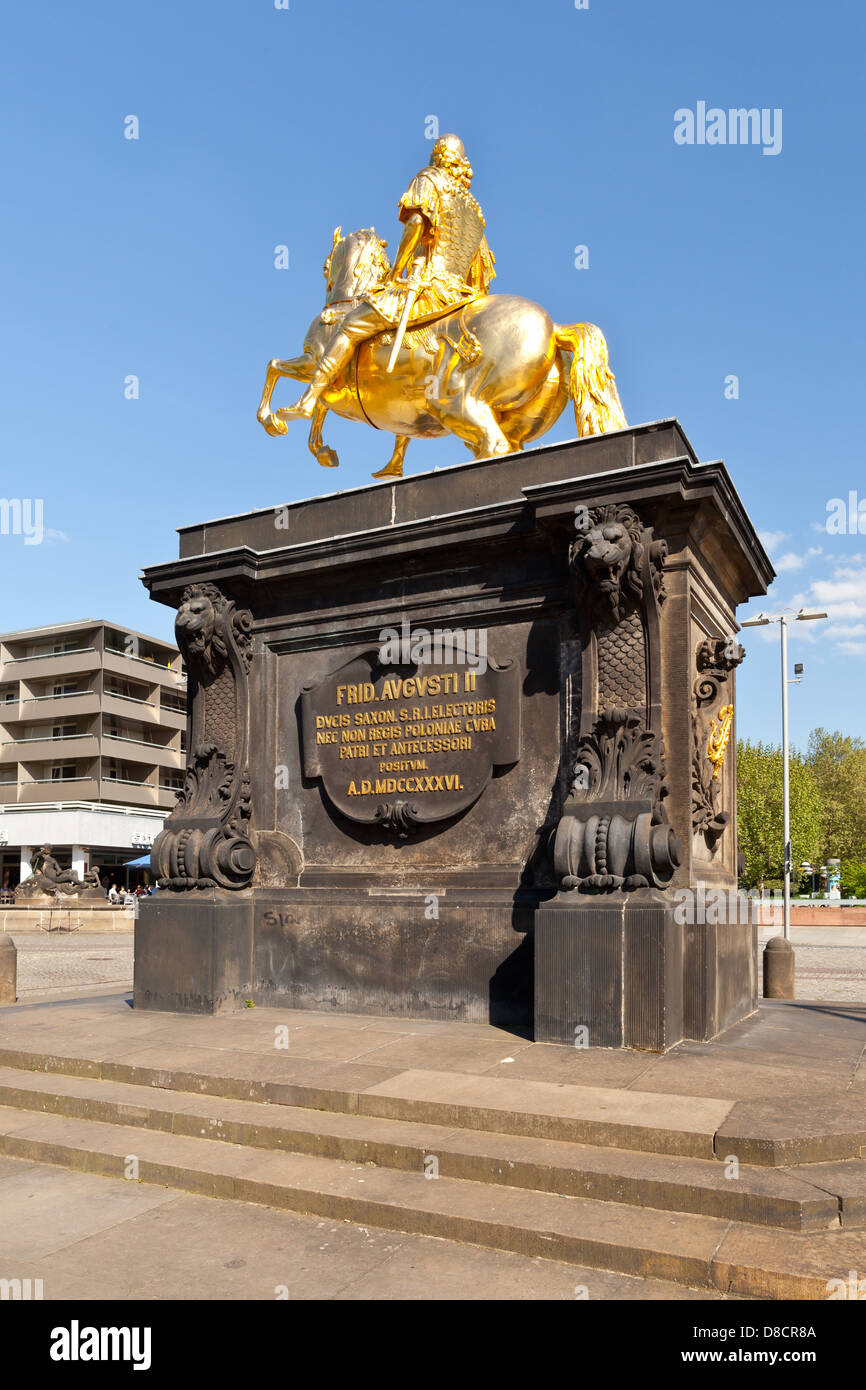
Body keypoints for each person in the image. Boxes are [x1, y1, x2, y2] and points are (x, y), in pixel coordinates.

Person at [278, 134, 495, 422]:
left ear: (438, 156)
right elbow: (481, 273)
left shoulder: (430, 179)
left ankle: (308, 400)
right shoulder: (475, 211)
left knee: (351, 324)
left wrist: (396, 272)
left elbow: (416, 223)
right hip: (460, 298)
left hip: (428, 287)